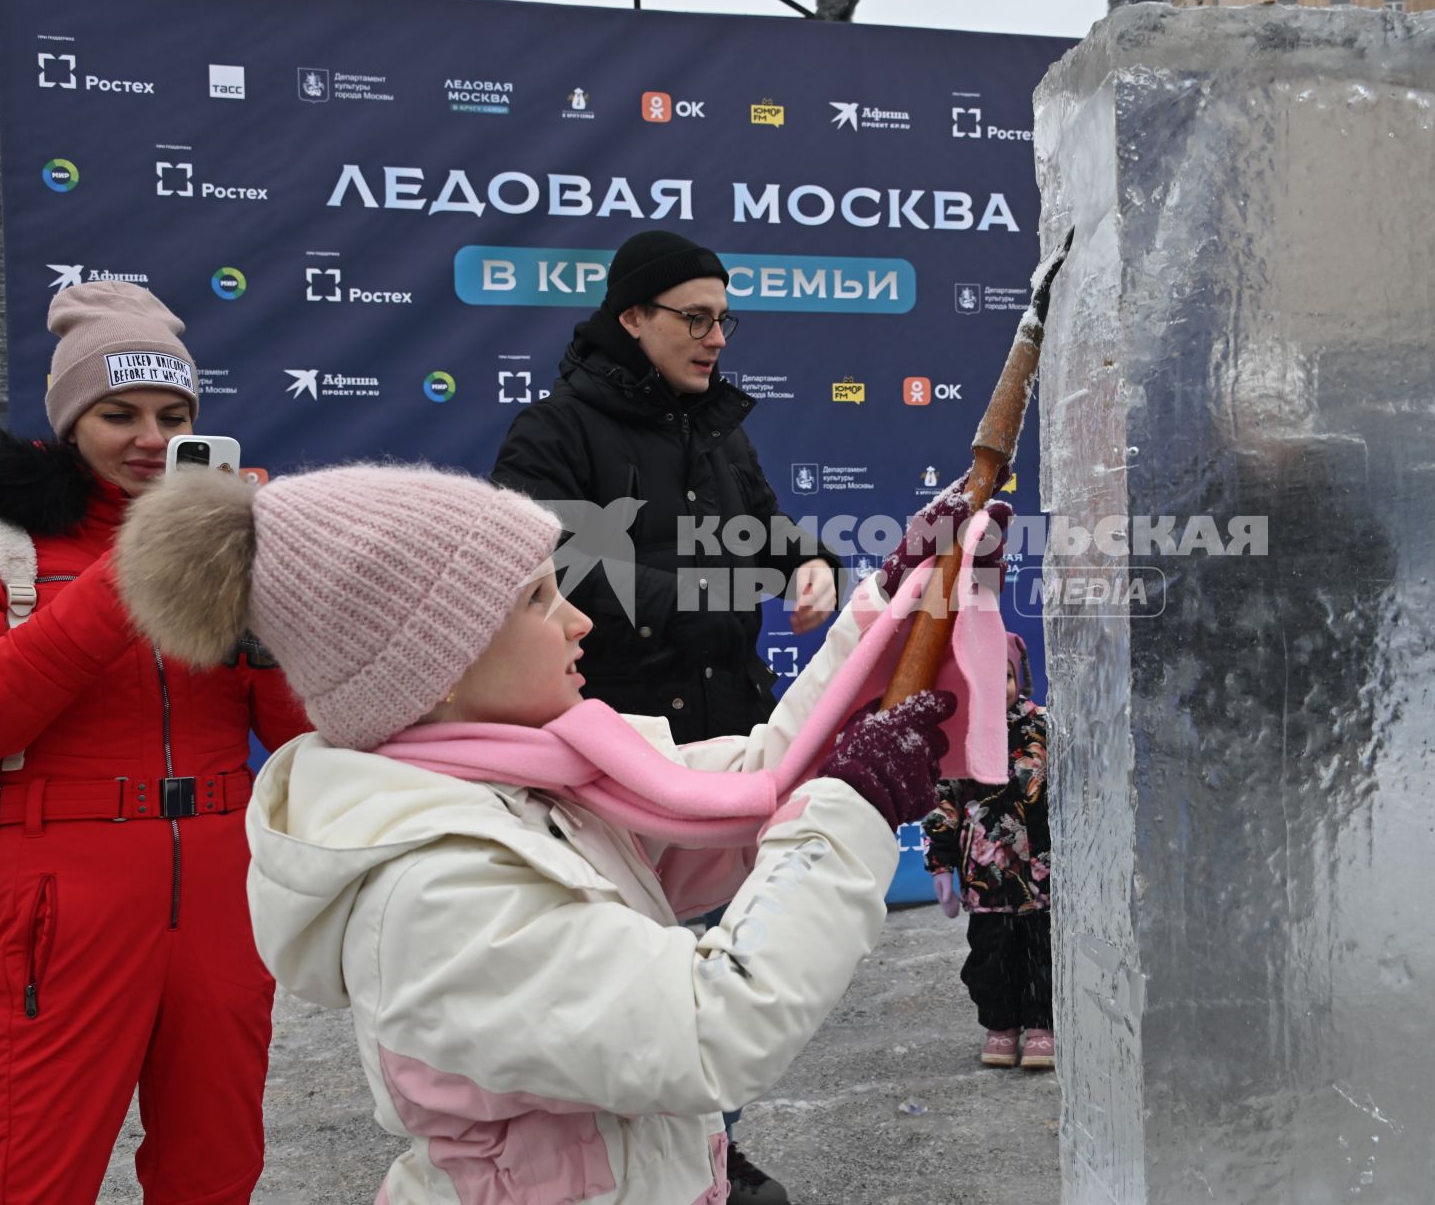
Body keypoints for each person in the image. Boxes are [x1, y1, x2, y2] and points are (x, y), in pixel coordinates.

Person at [113, 463, 1007, 1205]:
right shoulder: (434, 885)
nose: (579, 620)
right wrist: (848, 810)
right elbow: (708, 1030)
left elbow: (754, 785)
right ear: (435, 669)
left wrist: (887, 612)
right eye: (539, 599)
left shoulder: (532, 781)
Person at [0, 281, 311, 1203]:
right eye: (119, 412)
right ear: (68, 421)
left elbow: (298, 739)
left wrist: (269, 614)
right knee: (29, 1174)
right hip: (60, 897)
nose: (149, 436)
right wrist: (132, 573)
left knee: (215, 1170)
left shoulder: (233, 539)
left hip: (221, 886)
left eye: (173, 414)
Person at [491, 229, 838, 745]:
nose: (717, 338)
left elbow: (761, 527)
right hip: (610, 740)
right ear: (632, 317)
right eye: (696, 318)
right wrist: (687, 602)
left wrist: (812, 563)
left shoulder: (719, 431)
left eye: (722, 320)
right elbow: (537, 571)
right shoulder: (554, 429)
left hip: (735, 730)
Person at [922, 632, 1053, 1070]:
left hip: (1041, 873)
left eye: (1008, 676)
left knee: (1042, 952)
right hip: (986, 876)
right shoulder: (960, 733)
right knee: (992, 956)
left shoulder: (1044, 725)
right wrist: (940, 864)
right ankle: (1001, 1024)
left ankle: (1042, 1024)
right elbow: (943, 800)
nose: (1000, 688)